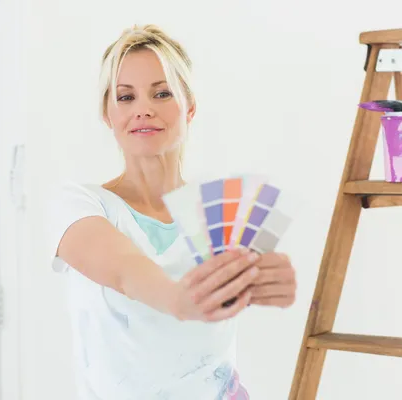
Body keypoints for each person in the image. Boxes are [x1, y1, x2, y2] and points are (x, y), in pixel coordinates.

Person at [47, 24, 297, 400]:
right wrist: (178, 299)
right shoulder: (79, 203)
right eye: (125, 97)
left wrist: (278, 283)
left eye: (162, 93)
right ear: (107, 114)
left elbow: (264, 291)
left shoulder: (222, 211)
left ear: (189, 106)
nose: (144, 110)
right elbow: (124, 271)